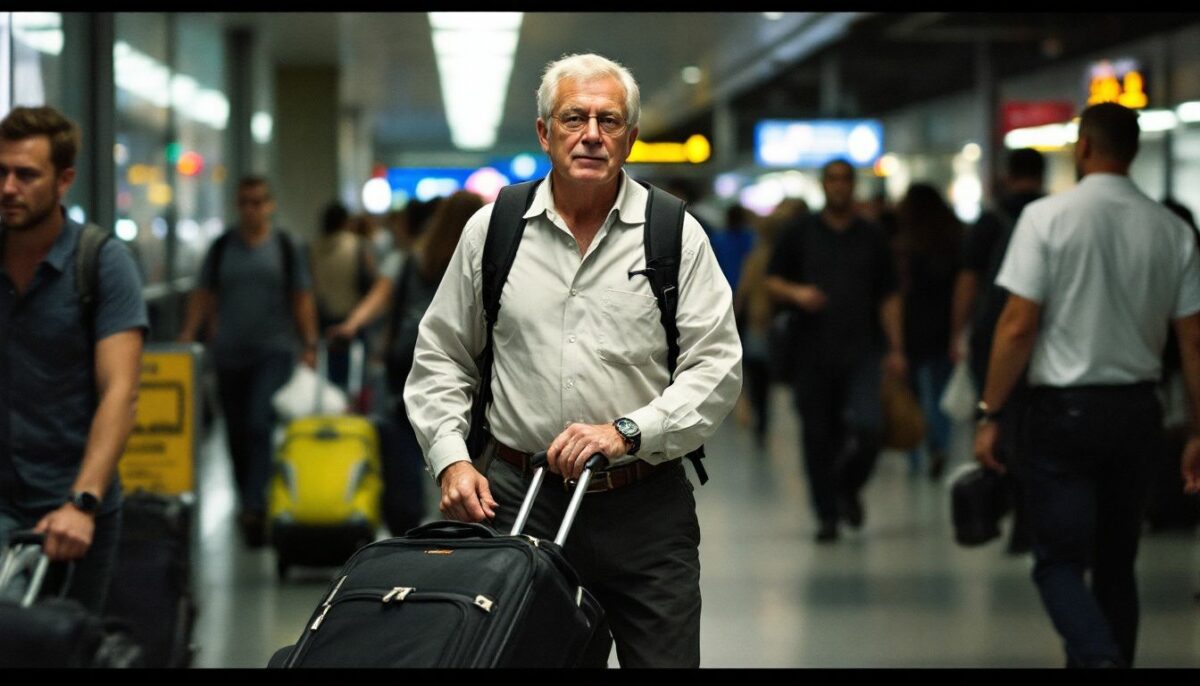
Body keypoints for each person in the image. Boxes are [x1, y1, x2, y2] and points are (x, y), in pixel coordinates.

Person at [403, 53, 742, 667]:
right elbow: (442, 356)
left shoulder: (672, 232)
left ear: (630, 138)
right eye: (574, 118)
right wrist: (451, 459)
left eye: (608, 121)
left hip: (644, 507)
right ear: (544, 132)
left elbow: (715, 366)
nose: (591, 134)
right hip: (520, 501)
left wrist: (627, 431)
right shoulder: (495, 229)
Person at [974, 102, 1200, 668]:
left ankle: (1100, 658)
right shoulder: (1173, 231)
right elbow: (1194, 341)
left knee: (1058, 561)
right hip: (1139, 412)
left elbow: (1017, 325)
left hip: (1064, 415)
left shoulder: (1045, 219)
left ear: (1083, 147)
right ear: (1134, 151)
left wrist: (991, 411)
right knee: (1118, 564)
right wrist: (1199, 430)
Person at [0, 106, 147, 612]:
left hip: (74, 502)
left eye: (26, 175)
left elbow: (120, 392)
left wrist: (82, 501)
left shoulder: (100, 263)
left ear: (64, 180)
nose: (8, 188)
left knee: (64, 639)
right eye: (1, 172)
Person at [328, 190, 485, 536]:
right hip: (469, 375)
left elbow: (381, 297)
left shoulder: (412, 257)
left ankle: (409, 526)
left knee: (405, 446)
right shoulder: (483, 258)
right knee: (461, 446)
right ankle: (456, 517)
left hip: (407, 367)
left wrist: (351, 325)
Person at [765, 158, 906, 543]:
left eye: (845, 179)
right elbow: (772, 281)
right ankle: (827, 514)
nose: (839, 186)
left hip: (863, 350)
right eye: (832, 179)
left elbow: (889, 295)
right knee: (818, 435)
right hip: (811, 351)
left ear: (853, 185)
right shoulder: (800, 233)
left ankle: (847, 486)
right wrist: (798, 293)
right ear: (823, 185)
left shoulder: (872, 236)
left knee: (869, 427)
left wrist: (897, 348)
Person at [177, 176, 318, 547]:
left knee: (258, 423)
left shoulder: (285, 246)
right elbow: (204, 293)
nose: (251, 209)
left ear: (270, 205)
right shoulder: (222, 247)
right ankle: (247, 500)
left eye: (258, 202)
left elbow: (301, 296)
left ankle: (255, 505)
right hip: (228, 354)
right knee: (236, 433)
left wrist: (309, 343)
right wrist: (188, 332)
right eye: (244, 202)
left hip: (273, 350)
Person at [951, 147, 1046, 553]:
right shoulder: (1052, 216)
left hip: (993, 336)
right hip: (1043, 340)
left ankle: (1009, 503)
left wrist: (958, 330)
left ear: (1007, 175)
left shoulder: (990, 221)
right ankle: (1027, 515)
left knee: (1000, 423)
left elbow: (969, 279)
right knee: (1034, 429)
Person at [894, 183, 962, 480]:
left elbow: (897, 291)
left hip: (911, 325)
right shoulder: (953, 239)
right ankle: (939, 445)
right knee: (940, 392)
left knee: (911, 393)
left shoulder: (904, 244)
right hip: (943, 325)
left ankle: (913, 452)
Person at [310, 201, 376, 391]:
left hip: (324, 319)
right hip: (353, 319)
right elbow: (370, 282)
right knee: (356, 376)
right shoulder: (356, 245)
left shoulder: (314, 248)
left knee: (328, 378)